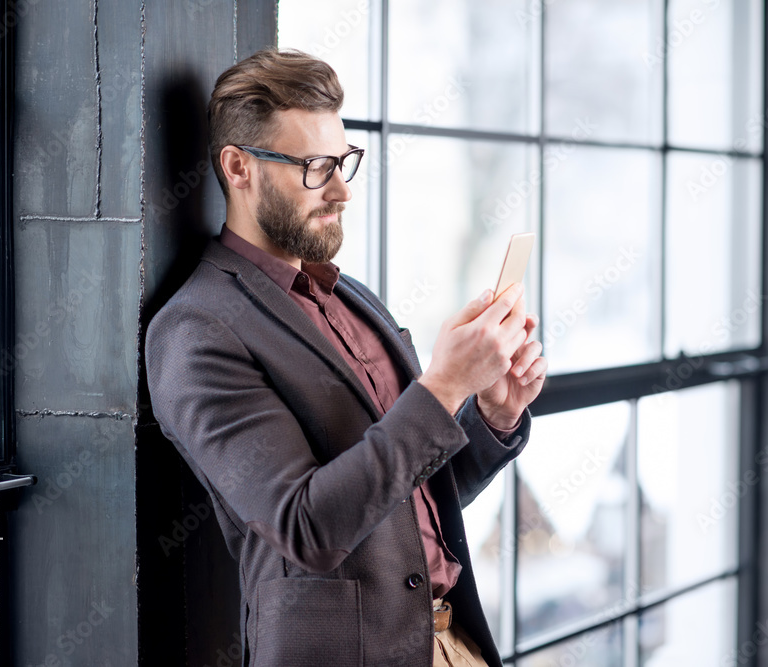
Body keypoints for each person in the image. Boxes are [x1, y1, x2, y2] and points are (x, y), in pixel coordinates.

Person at [145, 48, 547, 667]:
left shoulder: (351, 298)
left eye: (343, 162)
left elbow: (402, 501)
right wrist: (442, 386)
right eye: (314, 167)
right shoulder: (196, 331)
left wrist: (490, 416)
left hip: (451, 641)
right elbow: (308, 529)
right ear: (239, 167)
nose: (340, 190)